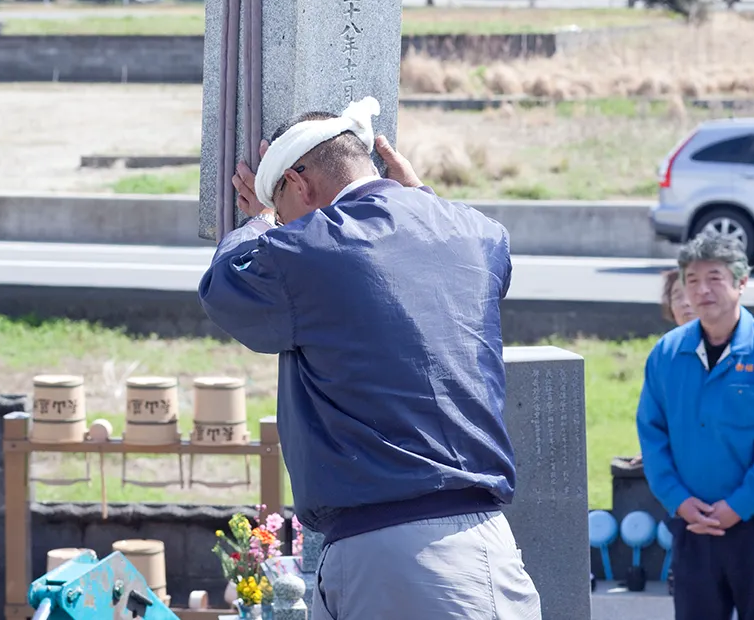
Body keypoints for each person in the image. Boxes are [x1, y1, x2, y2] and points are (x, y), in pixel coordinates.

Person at [198, 97, 541, 620]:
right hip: (463, 544)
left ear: (298, 182)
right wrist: (423, 199)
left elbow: (225, 287)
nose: (284, 223)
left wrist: (259, 224)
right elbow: (465, 256)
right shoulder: (478, 233)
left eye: (282, 207)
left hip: (396, 557)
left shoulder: (310, 250)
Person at [637, 233, 754, 620]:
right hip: (694, 524)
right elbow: (652, 433)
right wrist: (677, 500)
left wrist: (738, 506)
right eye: (692, 279)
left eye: (714, 277)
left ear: (741, 282)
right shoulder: (667, 353)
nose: (702, 289)